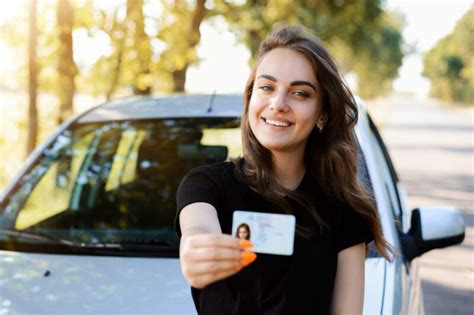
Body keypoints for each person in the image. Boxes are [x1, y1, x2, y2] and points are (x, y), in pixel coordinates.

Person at [175, 25, 393, 315]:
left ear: (323, 115)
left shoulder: (344, 210)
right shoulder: (207, 185)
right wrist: (196, 250)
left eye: (300, 93)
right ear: (251, 98)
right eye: (267, 87)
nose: (278, 104)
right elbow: (199, 228)